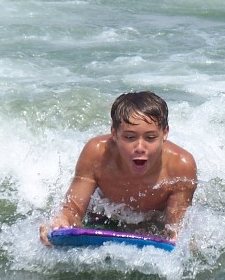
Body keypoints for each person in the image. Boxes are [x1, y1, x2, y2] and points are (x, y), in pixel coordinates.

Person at [39, 91, 197, 245]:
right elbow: (72, 210)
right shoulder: (96, 154)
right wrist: (61, 222)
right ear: (114, 133)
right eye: (129, 137)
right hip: (105, 216)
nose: (140, 147)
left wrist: (178, 238)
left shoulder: (181, 166)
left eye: (150, 138)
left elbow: (175, 228)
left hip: (154, 221)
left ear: (165, 133)